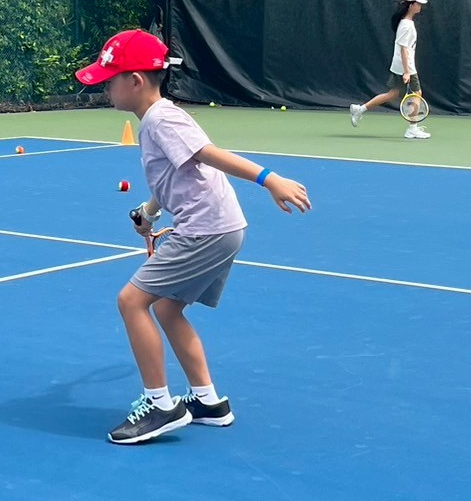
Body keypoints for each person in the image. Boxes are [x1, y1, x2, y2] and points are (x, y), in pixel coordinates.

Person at [74, 30, 312, 445]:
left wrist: (269, 179)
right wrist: (148, 212)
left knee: (131, 301)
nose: (105, 87)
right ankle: (207, 402)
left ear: (136, 81)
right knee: (167, 309)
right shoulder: (156, 120)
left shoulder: (162, 119)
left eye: (110, 79)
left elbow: (208, 154)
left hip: (206, 229)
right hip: (222, 227)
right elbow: (175, 174)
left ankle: (160, 406)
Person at [350, 0, 431, 140]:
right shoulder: (406, 25)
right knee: (417, 94)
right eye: (418, 3)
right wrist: (407, 72)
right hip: (406, 66)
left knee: (392, 94)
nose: (420, 6)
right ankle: (412, 129)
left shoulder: (406, 23)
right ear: (411, 6)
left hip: (400, 65)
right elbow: (403, 49)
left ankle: (359, 110)